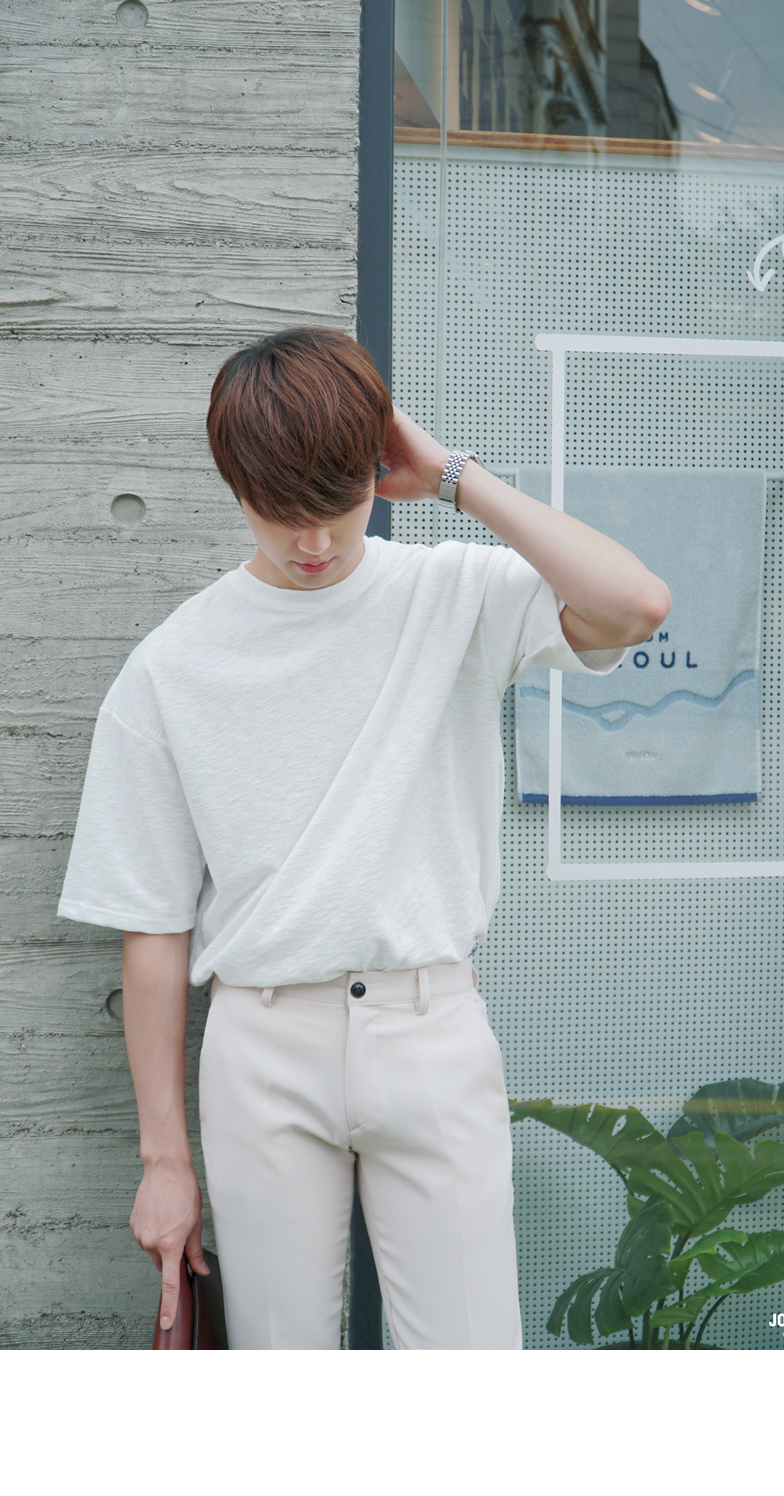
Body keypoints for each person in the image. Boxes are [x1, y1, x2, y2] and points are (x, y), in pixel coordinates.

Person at [58, 324, 672, 1352]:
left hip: (430, 1024)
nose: (313, 541)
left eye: (336, 504)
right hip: (261, 1043)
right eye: (281, 510)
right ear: (235, 485)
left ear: (375, 470)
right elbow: (152, 926)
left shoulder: (450, 592)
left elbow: (636, 603)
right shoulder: (171, 665)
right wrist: (165, 1158)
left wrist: (453, 476)